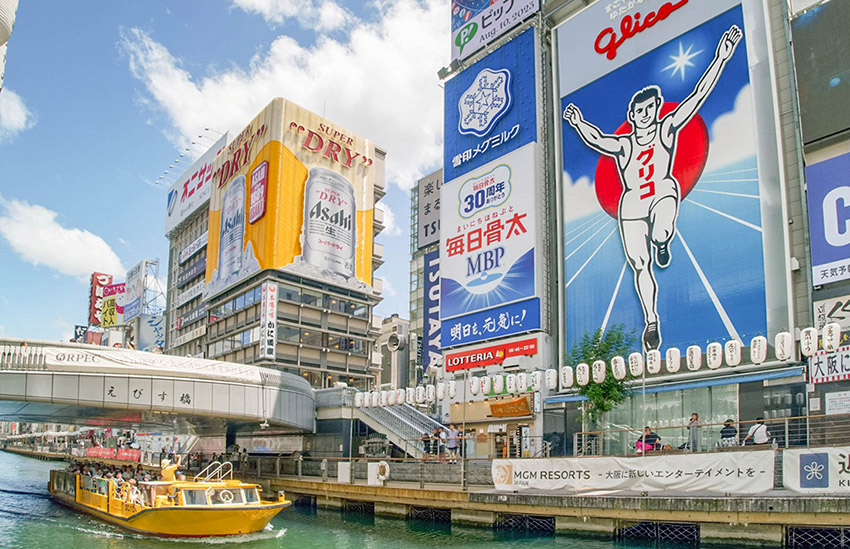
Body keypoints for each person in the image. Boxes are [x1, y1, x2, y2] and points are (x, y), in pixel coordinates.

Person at [563, 25, 743, 351]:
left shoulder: (667, 128)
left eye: (650, 109)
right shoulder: (623, 145)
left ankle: (662, 240)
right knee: (640, 264)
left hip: (661, 190)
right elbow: (597, 139)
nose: (646, 115)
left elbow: (697, 96)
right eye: (640, 111)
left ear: (656, 110)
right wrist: (577, 124)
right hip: (631, 203)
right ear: (631, 116)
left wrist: (720, 57)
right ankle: (651, 320)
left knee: (661, 223)